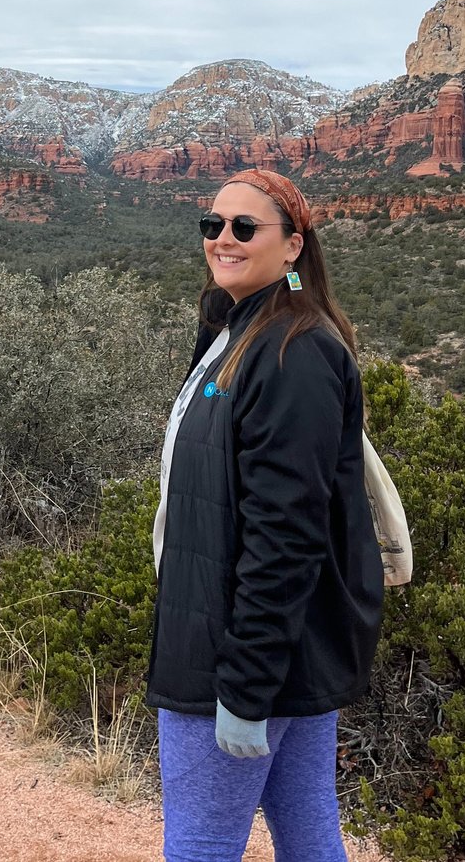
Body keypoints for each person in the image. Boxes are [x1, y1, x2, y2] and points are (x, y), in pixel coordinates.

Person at [145, 168, 384, 862]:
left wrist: (246, 687)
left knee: (201, 847)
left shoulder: (292, 352)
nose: (223, 238)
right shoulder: (237, 327)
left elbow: (286, 534)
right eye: (212, 224)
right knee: (308, 833)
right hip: (284, 647)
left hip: (240, 653)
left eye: (245, 227)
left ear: (293, 247)